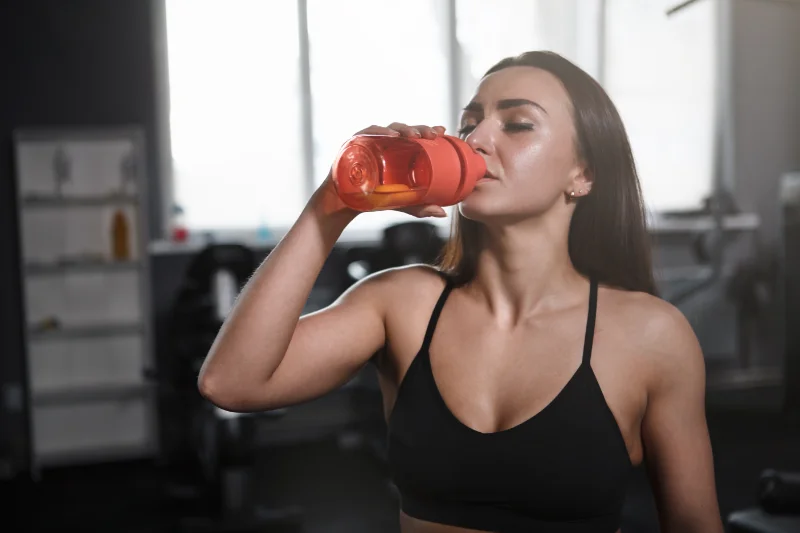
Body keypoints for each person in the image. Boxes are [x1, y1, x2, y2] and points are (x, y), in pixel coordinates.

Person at [198, 51, 724, 533]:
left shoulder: (649, 335)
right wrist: (332, 204)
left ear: (582, 173)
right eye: (470, 123)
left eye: (517, 124)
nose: (476, 140)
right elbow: (232, 382)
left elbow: (695, 525)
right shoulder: (402, 304)